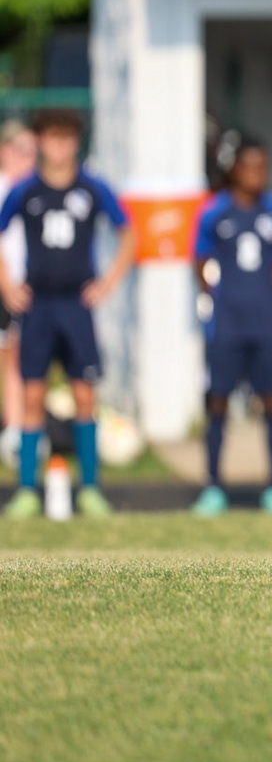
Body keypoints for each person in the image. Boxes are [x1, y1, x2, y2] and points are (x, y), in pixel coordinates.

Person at [0, 108, 134, 518]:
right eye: (52, 137)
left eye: (67, 138)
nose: (60, 146)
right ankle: (26, 488)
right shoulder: (25, 191)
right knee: (33, 393)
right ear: (40, 141)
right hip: (39, 303)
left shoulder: (92, 188)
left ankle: (90, 487)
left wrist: (108, 282)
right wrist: (7, 284)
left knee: (83, 393)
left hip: (76, 304)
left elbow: (127, 232)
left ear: (77, 141)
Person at [191, 136, 272, 516]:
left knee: (271, 401)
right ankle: (215, 486)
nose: (258, 175)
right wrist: (218, 295)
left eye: (263, 167)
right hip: (228, 324)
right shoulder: (215, 212)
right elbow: (199, 260)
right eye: (250, 167)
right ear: (233, 169)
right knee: (218, 401)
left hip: (265, 323)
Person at [0, 119, 36, 470]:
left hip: (25, 286)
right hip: (6, 286)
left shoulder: (30, 190)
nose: (32, 158)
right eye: (25, 150)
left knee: (18, 356)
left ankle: (15, 430)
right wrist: (6, 284)